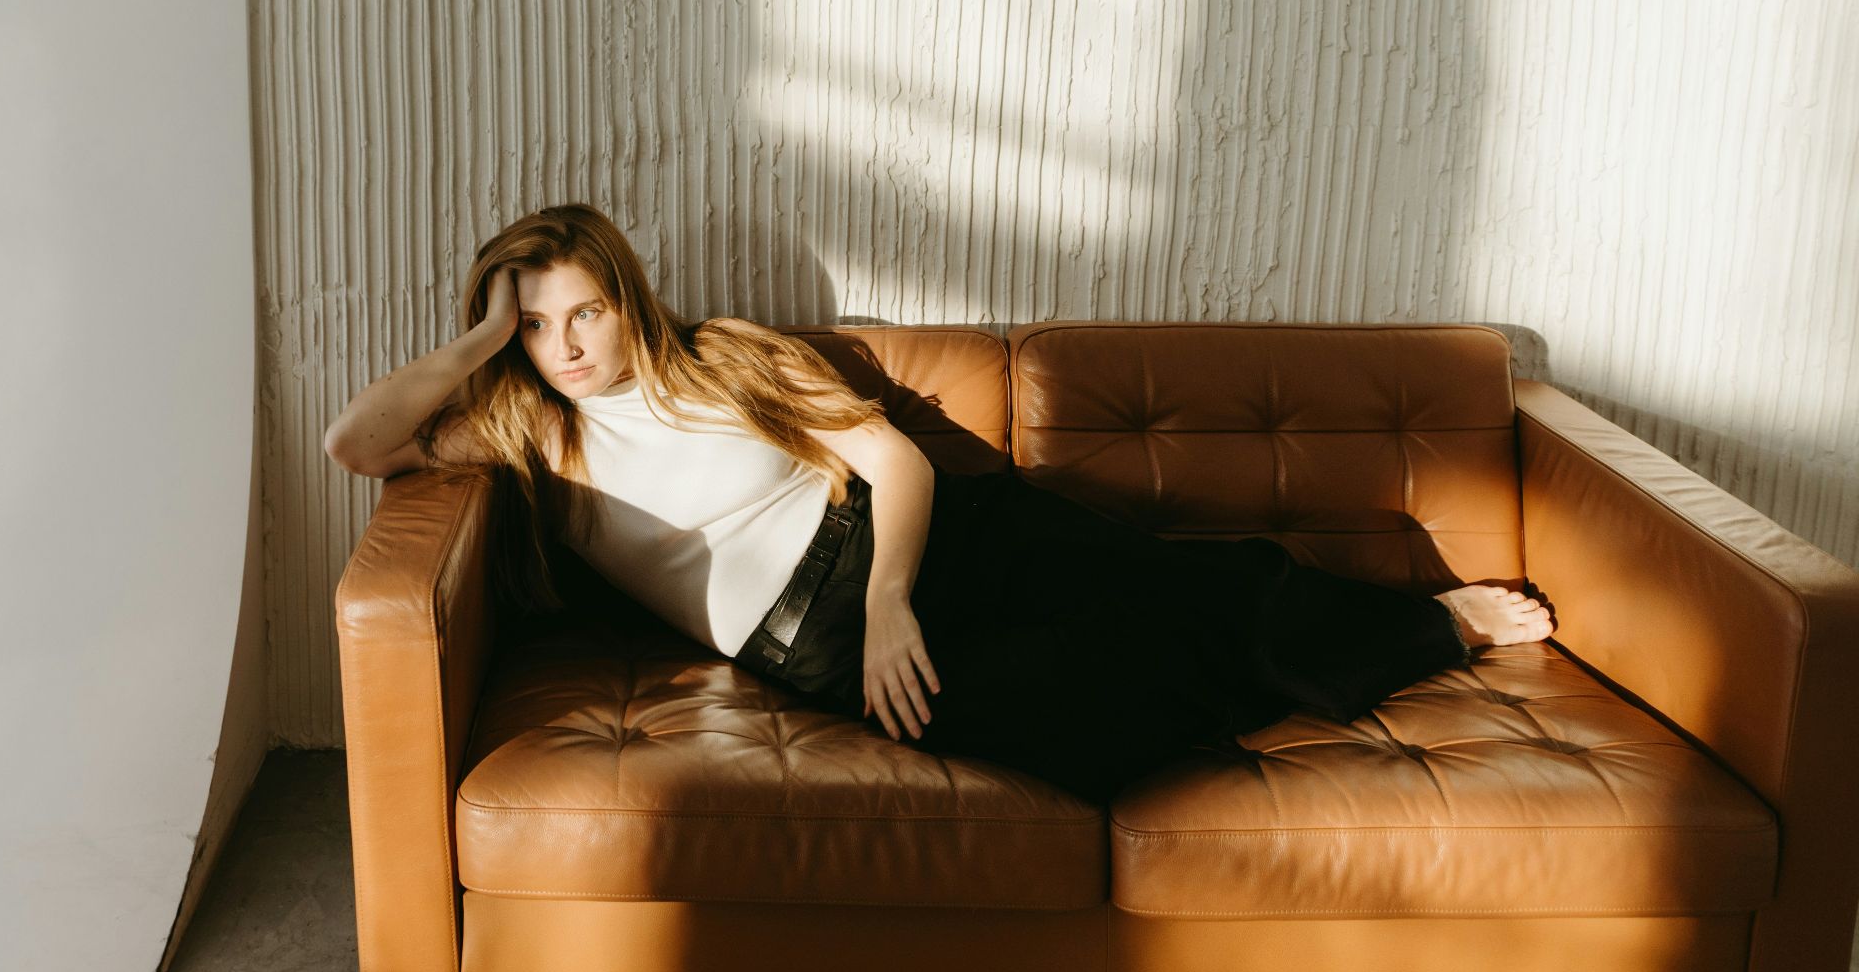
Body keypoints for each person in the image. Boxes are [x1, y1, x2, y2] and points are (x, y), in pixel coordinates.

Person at [325, 202, 1555, 804]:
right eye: (537, 325)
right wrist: (487, 329)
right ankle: (1293, 675)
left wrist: (898, 600)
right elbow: (356, 442)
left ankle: (1430, 623)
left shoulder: (726, 357)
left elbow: (896, 461)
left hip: (928, 541)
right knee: (1074, 724)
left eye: (581, 308)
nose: (567, 342)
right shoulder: (526, 432)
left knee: (1185, 577)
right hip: (811, 643)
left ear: (625, 296)